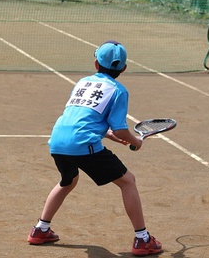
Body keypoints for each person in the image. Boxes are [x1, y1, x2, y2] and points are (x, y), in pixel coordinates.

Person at [27, 40, 163, 256]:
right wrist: (136, 142)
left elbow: (82, 117)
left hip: (58, 140)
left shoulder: (82, 82)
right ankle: (143, 239)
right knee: (128, 181)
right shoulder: (119, 91)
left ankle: (40, 230)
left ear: (96, 64)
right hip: (83, 143)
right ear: (124, 68)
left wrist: (108, 134)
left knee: (68, 181)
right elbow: (120, 129)